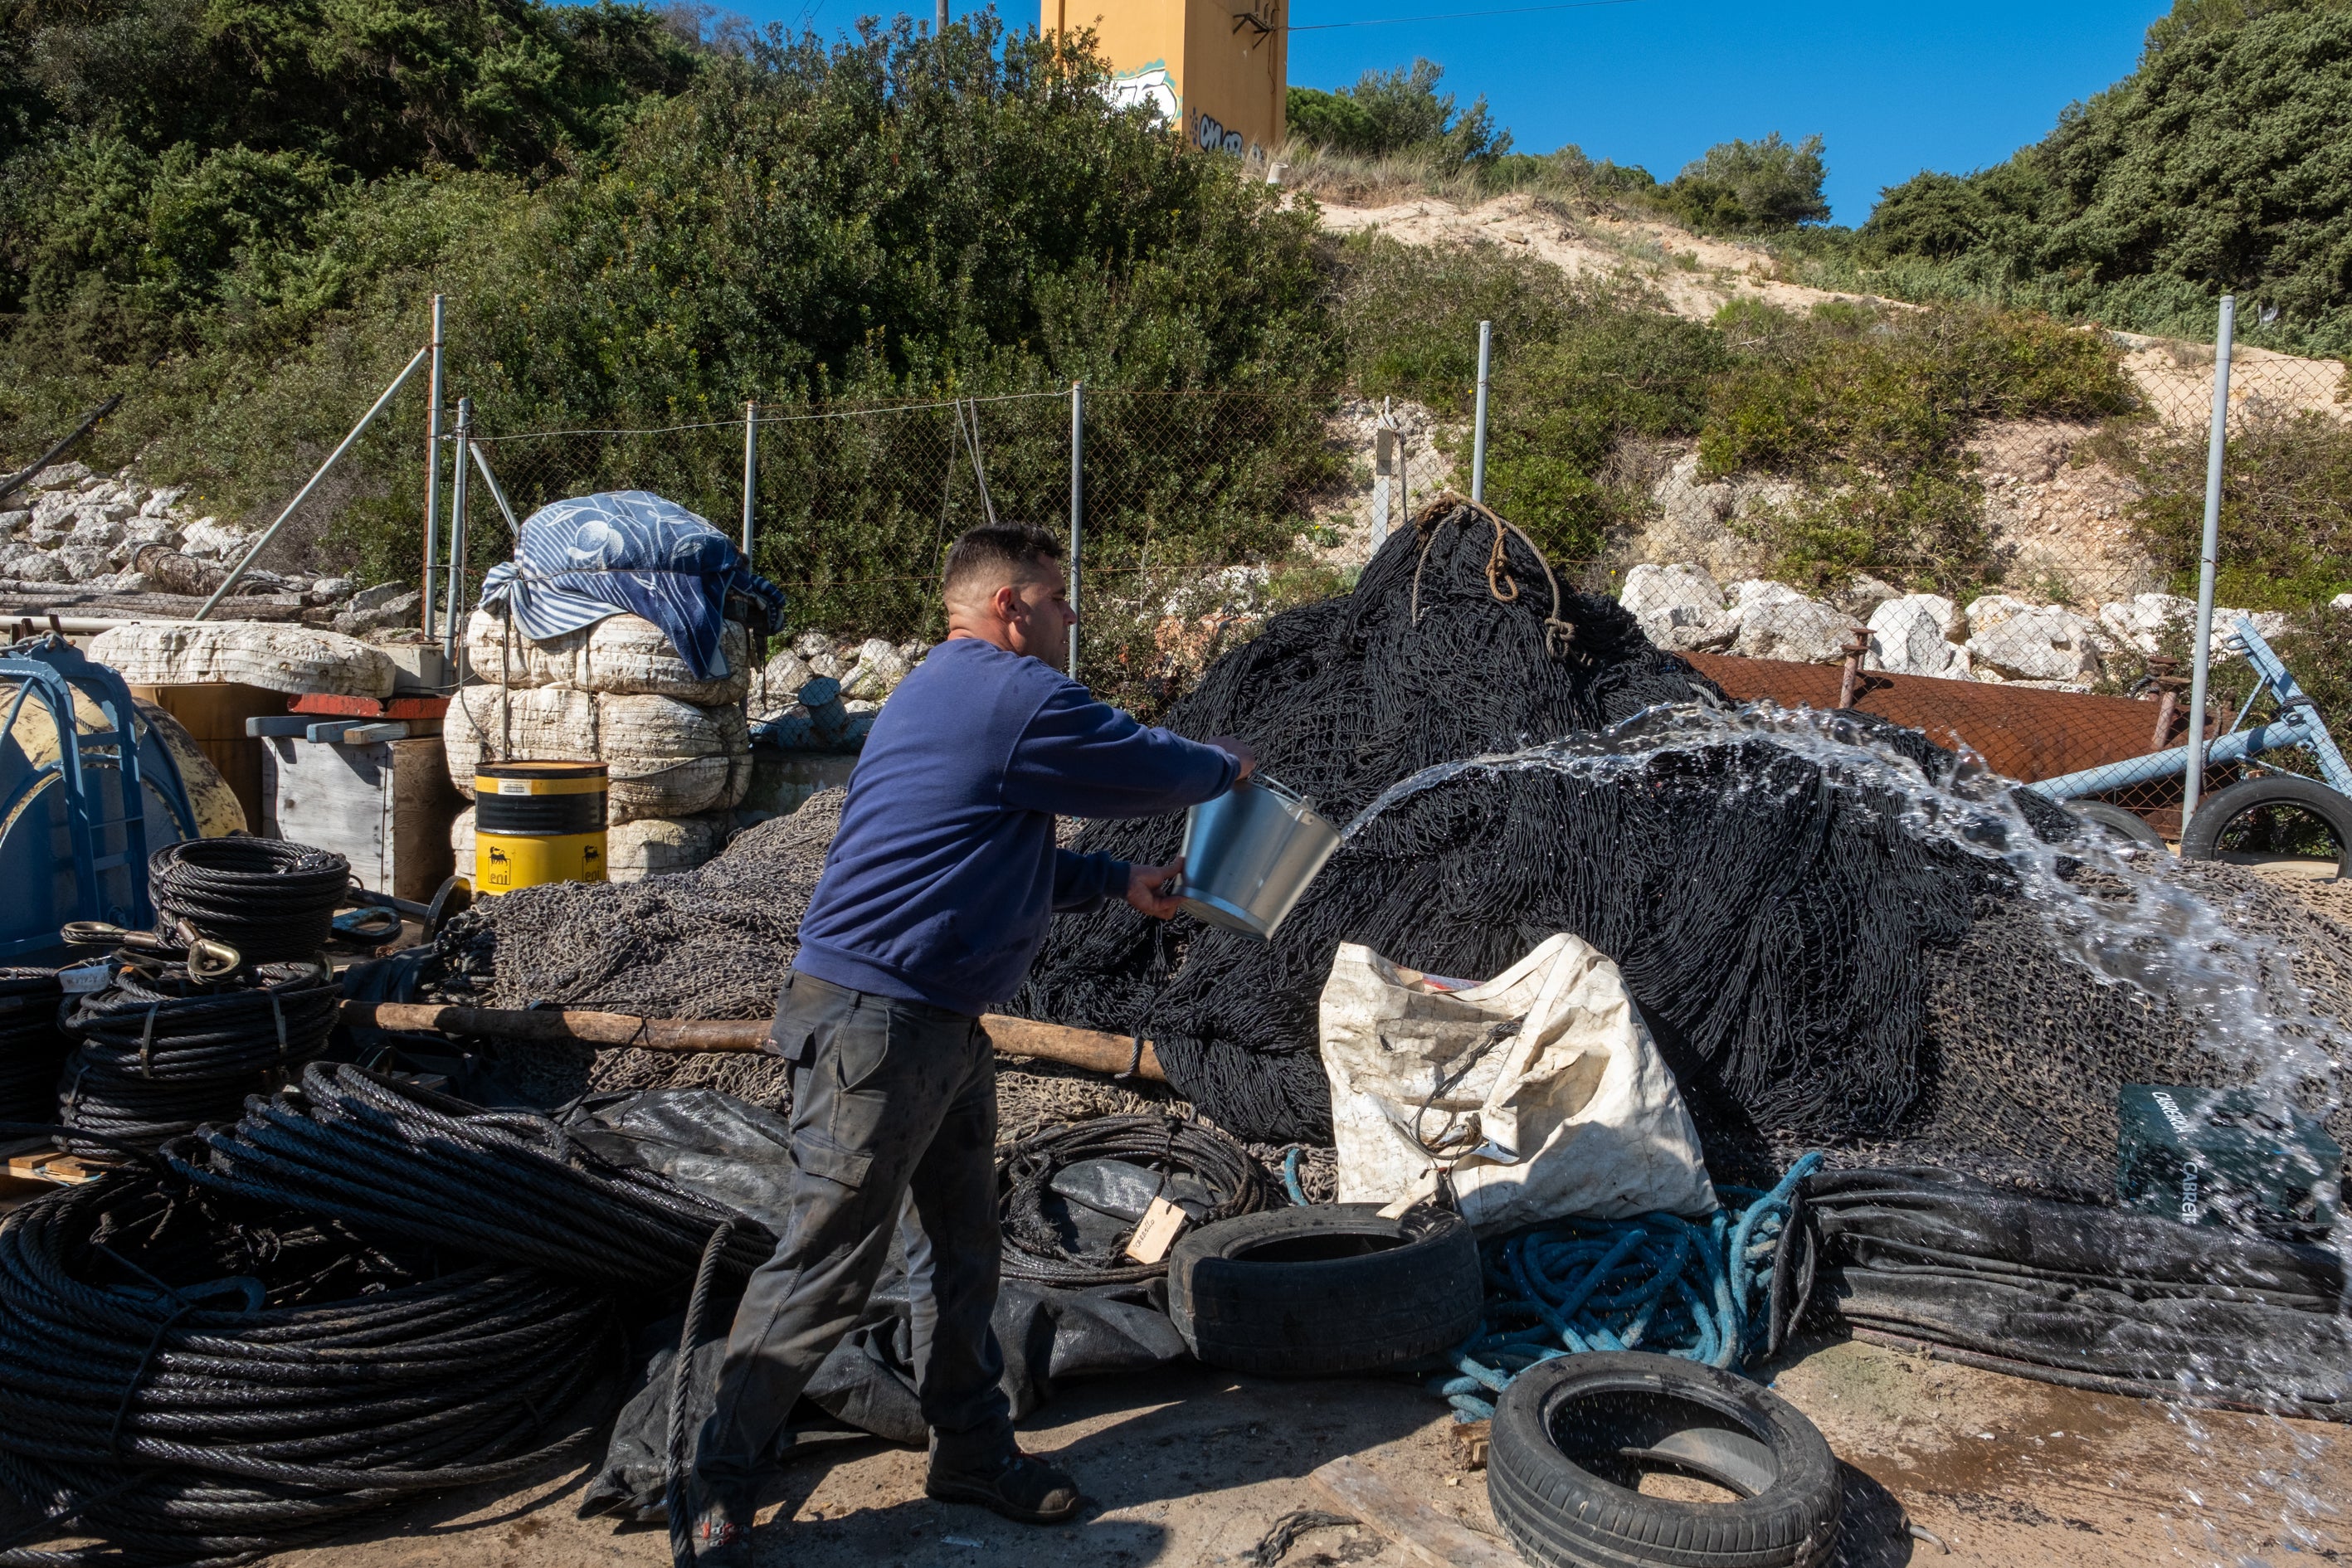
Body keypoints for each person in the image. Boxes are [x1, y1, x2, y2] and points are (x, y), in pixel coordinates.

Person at [680, 523, 1254, 1564]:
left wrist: (1113, 883)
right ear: (1009, 607)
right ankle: (714, 1481)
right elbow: (1144, 766)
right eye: (1058, 597)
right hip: (877, 1025)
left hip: (932, 1020)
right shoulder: (1008, 691)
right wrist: (1226, 769)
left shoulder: (944, 693)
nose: (1072, 617)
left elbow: (990, 838)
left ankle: (971, 1447)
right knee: (827, 1262)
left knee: (966, 1248)